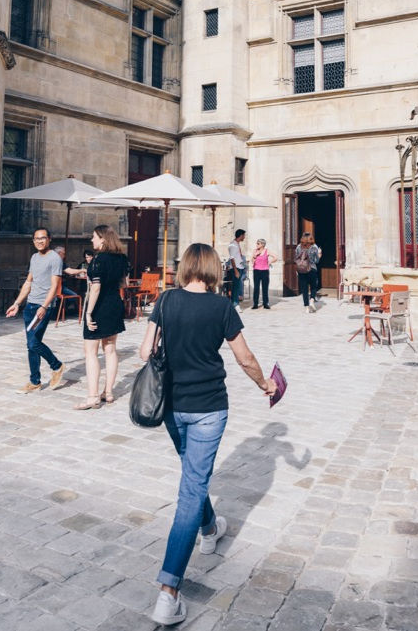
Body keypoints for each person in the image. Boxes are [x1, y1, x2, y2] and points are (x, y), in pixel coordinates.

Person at [139, 243, 277, 626]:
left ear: (185, 267)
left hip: (171, 407)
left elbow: (145, 350)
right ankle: (168, 592)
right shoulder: (222, 307)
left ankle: (211, 527)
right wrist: (265, 383)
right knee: (191, 490)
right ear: (214, 269)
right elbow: (244, 357)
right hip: (208, 409)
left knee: (193, 478)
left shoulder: (165, 301)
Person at [74, 225, 129, 409]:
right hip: (115, 304)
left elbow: (96, 288)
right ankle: (109, 392)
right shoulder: (122, 258)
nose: (92, 240)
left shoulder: (99, 260)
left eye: (94, 236)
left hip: (99, 307)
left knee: (90, 351)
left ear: (103, 239)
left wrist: (89, 312)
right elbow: (124, 283)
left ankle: (92, 396)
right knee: (111, 349)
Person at [5, 227, 65, 393]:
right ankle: (35, 381)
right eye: (37, 238)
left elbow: (55, 285)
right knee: (31, 345)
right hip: (30, 306)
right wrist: (17, 303)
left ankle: (57, 365)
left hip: (43, 307)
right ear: (33, 241)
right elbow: (28, 283)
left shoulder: (55, 258)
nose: (40, 241)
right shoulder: (34, 257)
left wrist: (44, 306)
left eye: (43, 238)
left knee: (33, 343)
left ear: (49, 239)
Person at [294, 232, 320, 314]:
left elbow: (296, 258)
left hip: (302, 269)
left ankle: (306, 308)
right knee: (313, 286)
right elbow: (317, 261)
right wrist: (319, 254)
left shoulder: (299, 246)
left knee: (304, 289)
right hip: (312, 269)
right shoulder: (314, 247)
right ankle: (312, 300)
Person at [251, 239, 276, 309]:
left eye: (258, 243)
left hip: (265, 271)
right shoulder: (254, 251)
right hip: (256, 271)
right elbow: (252, 261)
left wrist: (270, 262)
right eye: (256, 243)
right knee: (256, 288)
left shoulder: (267, 251)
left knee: (265, 288)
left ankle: (266, 303)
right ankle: (255, 304)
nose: (257, 245)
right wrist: (255, 256)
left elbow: (275, 257)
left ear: (262, 244)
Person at [227, 229, 246, 311]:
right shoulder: (232, 245)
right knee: (236, 287)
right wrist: (235, 270)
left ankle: (234, 304)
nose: (244, 237)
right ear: (240, 235)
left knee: (237, 287)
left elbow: (238, 257)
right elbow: (232, 258)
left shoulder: (237, 244)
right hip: (236, 268)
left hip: (240, 267)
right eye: (244, 235)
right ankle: (235, 304)